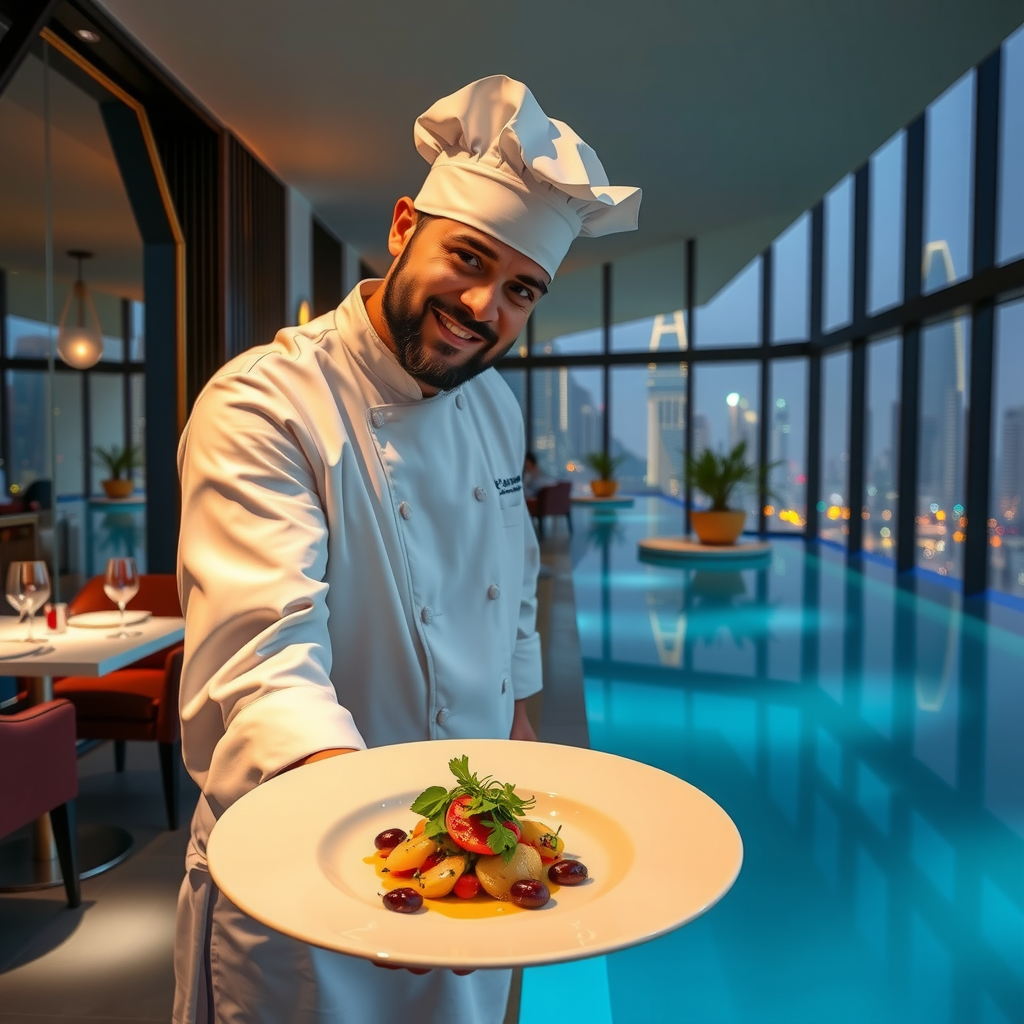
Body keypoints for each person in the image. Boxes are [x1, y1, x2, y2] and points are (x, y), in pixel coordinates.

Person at [173, 75, 640, 1024]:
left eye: (521, 290)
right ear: (400, 228)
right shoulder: (265, 405)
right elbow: (264, 668)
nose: (483, 306)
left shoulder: (495, 404)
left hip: (463, 870)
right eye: (467, 258)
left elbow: (510, 588)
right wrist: (376, 851)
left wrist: (515, 731)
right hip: (305, 872)